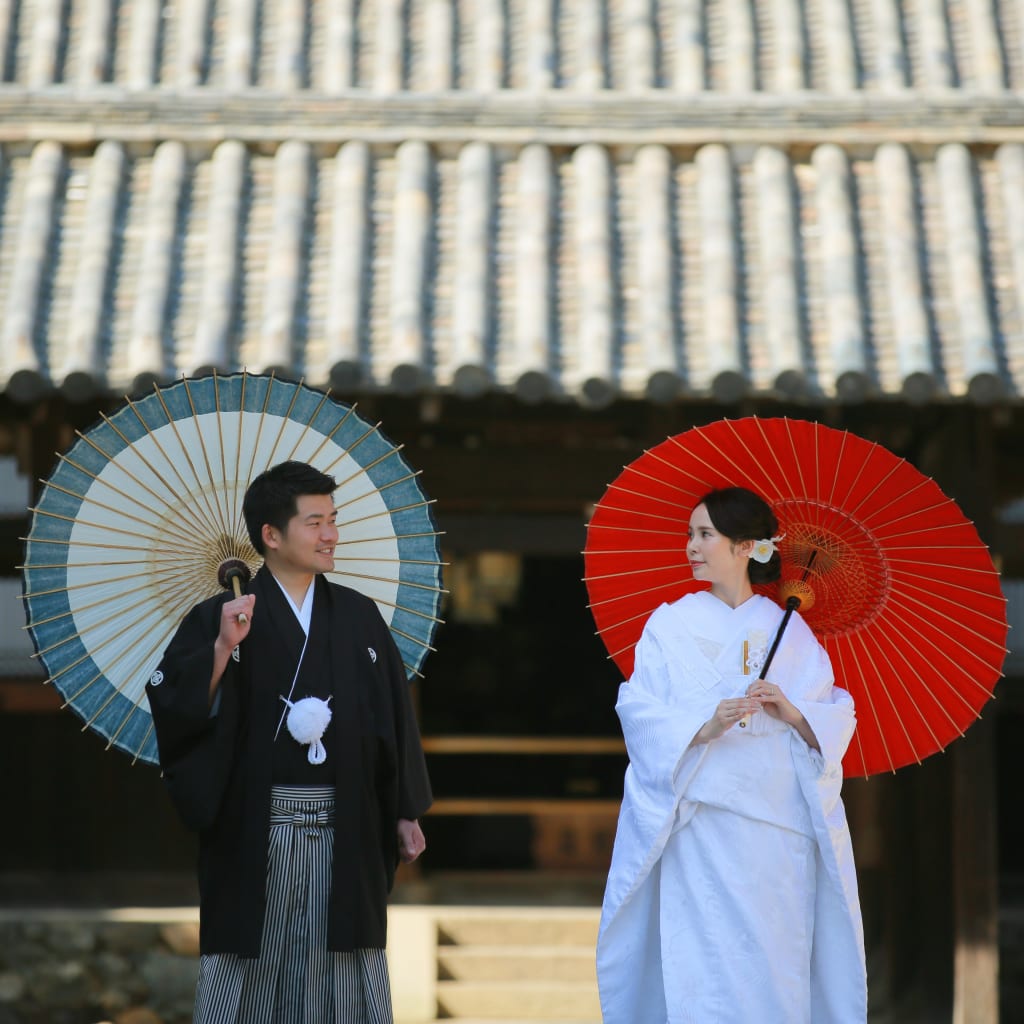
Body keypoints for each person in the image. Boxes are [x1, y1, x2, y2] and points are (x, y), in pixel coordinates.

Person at [146, 460, 432, 1024]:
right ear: (270, 536)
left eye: (333, 519)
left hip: (346, 822)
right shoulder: (221, 617)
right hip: (258, 825)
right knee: (250, 968)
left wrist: (405, 810)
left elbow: (391, 718)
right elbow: (174, 702)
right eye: (314, 522)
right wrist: (223, 648)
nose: (330, 535)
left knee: (344, 966)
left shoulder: (357, 616)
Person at [596, 486, 867, 1023]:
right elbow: (639, 709)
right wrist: (703, 723)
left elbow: (834, 719)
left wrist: (792, 712)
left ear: (747, 547)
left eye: (705, 535)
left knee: (774, 966)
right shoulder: (668, 625)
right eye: (690, 534)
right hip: (700, 828)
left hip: (774, 837)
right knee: (700, 968)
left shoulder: (791, 635)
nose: (692, 547)